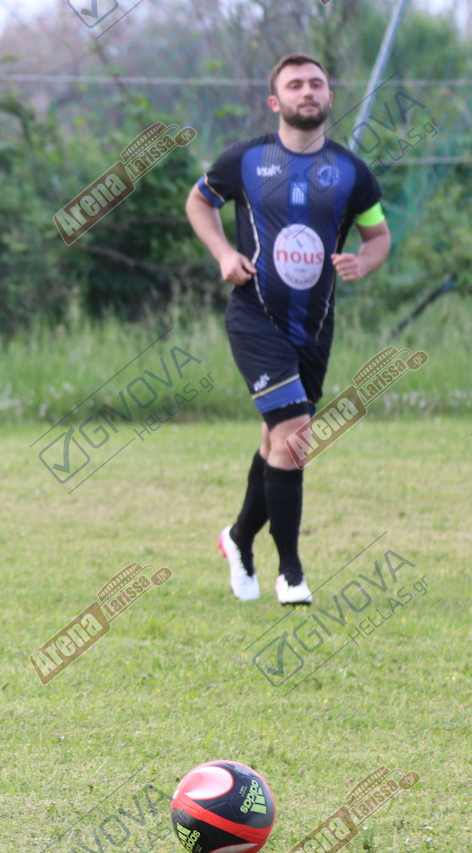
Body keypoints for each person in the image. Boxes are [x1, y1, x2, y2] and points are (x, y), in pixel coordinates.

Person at [185, 53, 391, 605]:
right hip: (255, 317)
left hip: (314, 327)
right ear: (276, 101)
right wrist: (223, 253)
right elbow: (199, 202)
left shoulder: (352, 172)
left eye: (316, 83)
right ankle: (291, 573)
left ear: (329, 97)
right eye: (295, 84)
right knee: (296, 436)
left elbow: (378, 237)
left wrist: (363, 262)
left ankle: (238, 538)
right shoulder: (245, 159)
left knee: (278, 441)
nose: (308, 91)